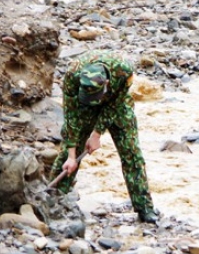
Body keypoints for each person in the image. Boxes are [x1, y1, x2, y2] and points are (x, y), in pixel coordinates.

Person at [50, 51, 158, 223]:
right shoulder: (72, 75)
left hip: (117, 106)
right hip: (83, 108)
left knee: (132, 155)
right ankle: (53, 201)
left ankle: (144, 207)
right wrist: (71, 156)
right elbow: (70, 116)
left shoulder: (123, 70)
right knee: (68, 154)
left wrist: (96, 134)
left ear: (106, 83)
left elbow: (114, 106)